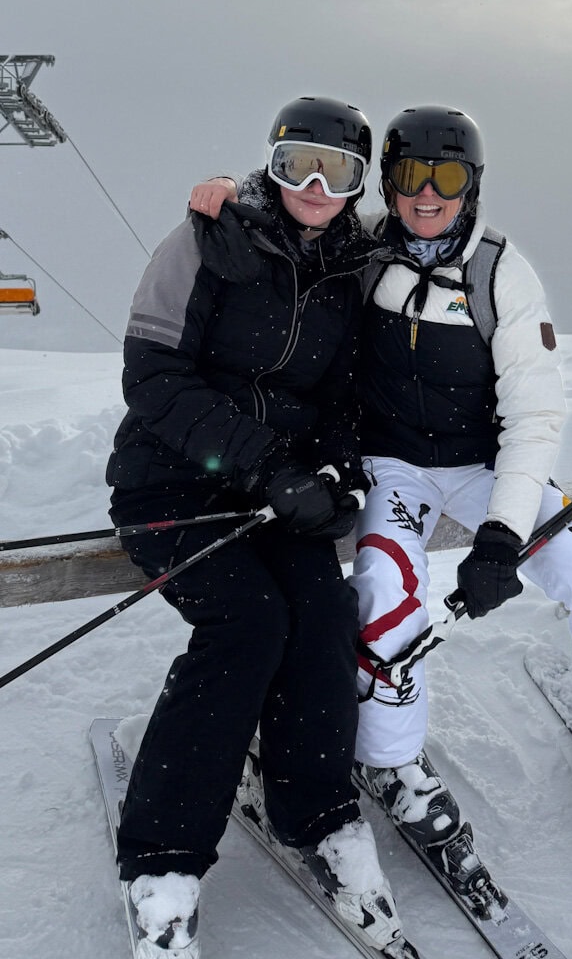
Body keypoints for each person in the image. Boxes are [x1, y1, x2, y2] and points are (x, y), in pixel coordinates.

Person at [191, 105, 572, 916]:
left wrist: (500, 535)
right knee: (387, 598)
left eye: (448, 178)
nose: (428, 196)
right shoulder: (366, 249)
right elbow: (292, 208)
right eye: (411, 178)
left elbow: (535, 416)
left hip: (491, 466)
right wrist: (224, 188)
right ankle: (392, 761)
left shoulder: (503, 273)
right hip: (396, 465)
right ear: (387, 183)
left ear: (473, 186)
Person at [107, 96, 416, 959]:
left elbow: (341, 396)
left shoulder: (351, 270)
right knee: (248, 625)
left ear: (357, 187)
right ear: (271, 164)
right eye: (299, 165)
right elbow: (153, 377)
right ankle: (163, 858)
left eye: (339, 172)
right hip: (173, 486)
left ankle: (316, 813)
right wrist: (263, 466)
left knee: (322, 620)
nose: (315, 187)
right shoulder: (209, 239)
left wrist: (335, 473)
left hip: (277, 495)